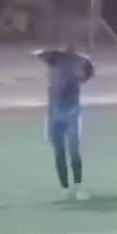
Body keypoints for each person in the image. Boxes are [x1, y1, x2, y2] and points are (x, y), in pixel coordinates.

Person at [36, 43, 95, 200]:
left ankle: (78, 187)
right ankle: (65, 188)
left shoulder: (80, 62)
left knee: (74, 151)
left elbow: (90, 71)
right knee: (59, 151)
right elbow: (37, 53)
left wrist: (83, 71)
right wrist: (56, 52)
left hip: (72, 112)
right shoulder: (53, 59)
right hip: (55, 112)